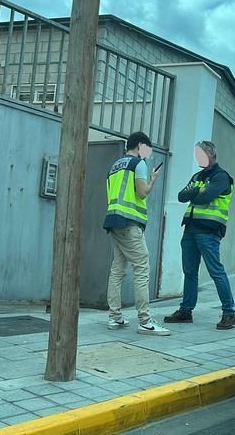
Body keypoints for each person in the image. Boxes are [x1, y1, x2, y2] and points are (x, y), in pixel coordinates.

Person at [164, 141, 235, 330]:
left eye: (201, 155)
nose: (198, 158)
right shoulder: (197, 176)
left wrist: (194, 192)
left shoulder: (222, 177)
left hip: (209, 231)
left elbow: (205, 197)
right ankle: (186, 311)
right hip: (190, 229)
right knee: (189, 272)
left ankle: (229, 313)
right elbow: (181, 196)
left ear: (211, 155)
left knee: (216, 272)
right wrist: (197, 190)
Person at [103, 131, 170, 336]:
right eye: (147, 149)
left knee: (118, 269)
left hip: (113, 221)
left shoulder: (114, 167)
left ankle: (115, 317)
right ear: (140, 146)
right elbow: (142, 192)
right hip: (130, 223)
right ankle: (145, 321)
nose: (148, 154)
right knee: (142, 266)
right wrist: (152, 180)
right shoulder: (138, 164)